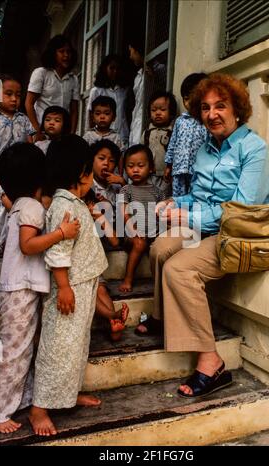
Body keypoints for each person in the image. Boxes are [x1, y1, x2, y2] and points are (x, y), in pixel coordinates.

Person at [135, 73, 269, 398]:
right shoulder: (205, 149)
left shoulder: (254, 149)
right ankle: (162, 316)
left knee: (179, 269)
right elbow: (198, 195)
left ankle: (212, 362)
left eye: (220, 106)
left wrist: (187, 215)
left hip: (238, 234)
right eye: (206, 107)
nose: (212, 114)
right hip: (205, 225)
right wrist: (175, 202)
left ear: (237, 109)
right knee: (160, 248)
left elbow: (241, 210)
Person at [0, 142, 80, 434]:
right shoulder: (31, 206)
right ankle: (0, 411)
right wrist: (61, 233)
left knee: (20, 349)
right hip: (21, 290)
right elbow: (28, 245)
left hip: (18, 288)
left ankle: (21, 397)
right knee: (15, 352)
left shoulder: (19, 204)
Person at [29, 135, 108, 436]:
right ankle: (39, 408)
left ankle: (68, 395)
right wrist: (63, 288)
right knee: (58, 348)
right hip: (70, 288)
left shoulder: (73, 203)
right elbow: (58, 252)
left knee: (76, 346)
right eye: (90, 170)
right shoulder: (64, 206)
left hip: (83, 285)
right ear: (81, 173)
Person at [83, 140, 129, 341]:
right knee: (95, 288)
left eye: (111, 161)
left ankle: (114, 321)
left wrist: (124, 185)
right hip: (85, 246)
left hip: (100, 243)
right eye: (101, 158)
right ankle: (112, 316)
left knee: (99, 287)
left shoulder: (116, 188)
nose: (106, 164)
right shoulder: (86, 185)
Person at [0, 74, 36, 273]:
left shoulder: (23, 119)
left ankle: (11, 253)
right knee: (3, 212)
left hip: (21, 178)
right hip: (0, 178)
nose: (14, 99)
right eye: (8, 94)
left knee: (18, 214)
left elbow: (31, 146)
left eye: (18, 95)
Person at [117, 144, 166, 293]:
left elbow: (162, 214)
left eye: (140, 165)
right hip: (132, 235)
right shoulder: (126, 189)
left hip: (153, 233)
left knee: (165, 246)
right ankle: (128, 279)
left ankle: (161, 281)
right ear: (125, 169)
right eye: (130, 166)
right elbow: (123, 211)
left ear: (151, 168)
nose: (135, 170)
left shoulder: (158, 192)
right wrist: (133, 229)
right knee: (139, 243)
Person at [25, 35, 79, 141]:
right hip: (43, 133)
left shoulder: (74, 79)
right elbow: (28, 103)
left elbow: (74, 110)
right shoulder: (41, 73)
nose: (66, 55)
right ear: (53, 53)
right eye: (62, 51)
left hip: (63, 135)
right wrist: (37, 130)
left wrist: (72, 134)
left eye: (69, 52)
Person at [165, 73, 208, 197]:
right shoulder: (180, 121)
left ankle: (190, 216)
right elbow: (172, 143)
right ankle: (178, 216)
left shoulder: (205, 122)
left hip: (197, 170)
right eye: (186, 98)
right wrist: (169, 165)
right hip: (179, 168)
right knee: (178, 199)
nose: (188, 103)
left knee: (195, 197)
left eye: (193, 99)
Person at [86, 54, 130, 146]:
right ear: (105, 69)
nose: (115, 71)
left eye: (118, 69)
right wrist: (91, 134)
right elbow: (91, 115)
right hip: (100, 136)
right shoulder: (96, 91)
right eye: (112, 68)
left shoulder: (125, 90)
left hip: (122, 134)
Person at [141, 90, 177, 196]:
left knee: (164, 197)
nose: (157, 113)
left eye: (162, 109)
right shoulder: (147, 133)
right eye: (154, 110)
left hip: (166, 176)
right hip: (148, 175)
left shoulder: (172, 133)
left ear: (171, 113)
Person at [128, 41, 145, 146]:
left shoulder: (158, 69)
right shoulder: (138, 76)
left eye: (131, 52)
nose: (130, 56)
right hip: (136, 120)